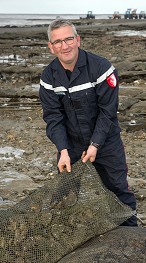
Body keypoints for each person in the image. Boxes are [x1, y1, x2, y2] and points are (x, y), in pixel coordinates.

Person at [39, 18, 137, 226]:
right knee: (66, 193)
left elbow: (107, 112)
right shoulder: (48, 77)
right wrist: (62, 150)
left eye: (69, 39)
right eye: (58, 42)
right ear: (51, 47)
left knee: (117, 188)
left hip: (106, 141)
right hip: (71, 144)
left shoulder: (102, 69)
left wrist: (95, 145)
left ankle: (131, 234)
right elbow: (53, 117)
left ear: (78, 40)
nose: (64, 46)